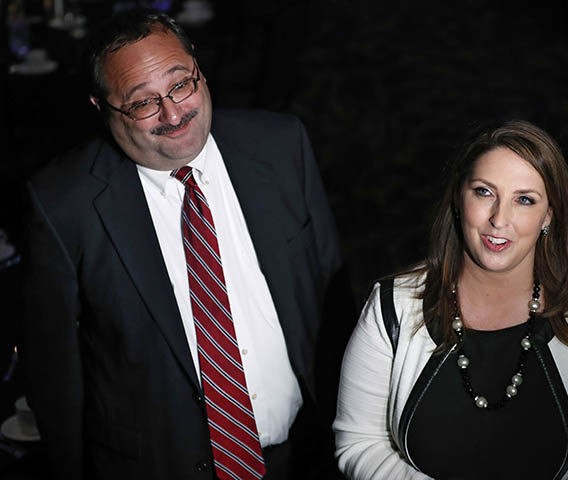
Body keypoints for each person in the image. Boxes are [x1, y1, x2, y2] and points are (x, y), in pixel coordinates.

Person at [19, 8, 353, 480]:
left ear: (199, 67)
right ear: (101, 106)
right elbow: (54, 376)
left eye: (181, 85)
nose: (174, 114)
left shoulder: (282, 145)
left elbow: (331, 295)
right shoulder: (62, 205)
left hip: (305, 455)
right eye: (142, 103)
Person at [333, 119, 568, 479]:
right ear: (458, 198)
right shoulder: (392, 307)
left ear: (548, 216)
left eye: (524, 200)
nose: (499, 219)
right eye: (484, 192)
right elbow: (360, 441)